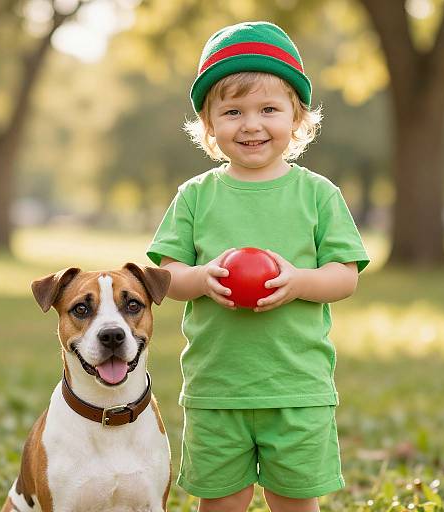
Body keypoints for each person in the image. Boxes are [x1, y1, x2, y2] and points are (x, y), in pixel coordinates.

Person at [147, 21, 370, 512]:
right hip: (216, 388)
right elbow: (165, 276)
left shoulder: (317, 194)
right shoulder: (195, 196)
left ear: (297, 117)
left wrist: (300, 282)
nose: (251, 124)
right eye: (232, 111)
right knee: (222, 501)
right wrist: (200, 278)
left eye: (269, 109)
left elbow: (345, 276)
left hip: (297, 387)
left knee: (294, 500)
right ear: (209, 124)